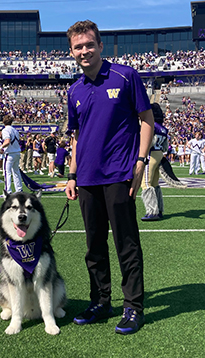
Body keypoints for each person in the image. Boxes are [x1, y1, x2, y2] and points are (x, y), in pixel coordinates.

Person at [65, 20, 154, 335]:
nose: (84, 51)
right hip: (87, 178)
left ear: (100, 46)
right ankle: (100, 302)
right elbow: (76, 137)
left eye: (89, 44)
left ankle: (133, 307)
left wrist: (141, 159)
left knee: (126, 243)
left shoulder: (125, 76)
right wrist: (72, 174)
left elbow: (147, 119)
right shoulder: (73, 89)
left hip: (119, 174)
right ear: (72, 51)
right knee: (94, 246)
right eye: (78, 47)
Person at [141, 103, 169, 221]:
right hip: (159, 153)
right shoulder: (163, 128)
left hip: (151, 153)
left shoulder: (151, 125)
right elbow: (165, 146)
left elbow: (148, 141)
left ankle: (152, 211)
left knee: (145, 183)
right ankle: (159, 209)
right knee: (154, 182)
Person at [0, 115, 23, 196]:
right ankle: (19, 189)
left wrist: (1, 147)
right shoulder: (15, 130)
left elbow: (7, 141)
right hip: (17, 152)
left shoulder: (5, 130)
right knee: (16, 172)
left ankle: (7, 191)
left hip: (10, 153)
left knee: (7, 172)